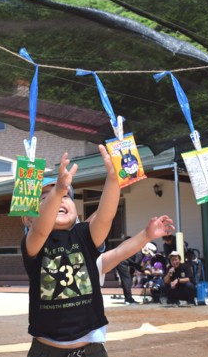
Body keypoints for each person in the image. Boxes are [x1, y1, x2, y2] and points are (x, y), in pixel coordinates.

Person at [20, 146, 119, 357]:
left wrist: (113, 179)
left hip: (91, 350)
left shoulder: (84, 235)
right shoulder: (34, 243)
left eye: (66, 196)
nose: (59, 199)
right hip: (45, 350)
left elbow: (105, 217)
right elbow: (40, 230)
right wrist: (57, 191)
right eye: (45, 198)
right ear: (28, 219)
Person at [97, 219, 174, 304]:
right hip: (121, 262)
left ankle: (129, 298)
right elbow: (135, 264)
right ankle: (128, 299)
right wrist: (143, 270)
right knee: (127, 279)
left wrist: (144, 269)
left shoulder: (141, 253)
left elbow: (134, 264)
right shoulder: (139, 253)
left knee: (128, 279)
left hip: (126, 263)